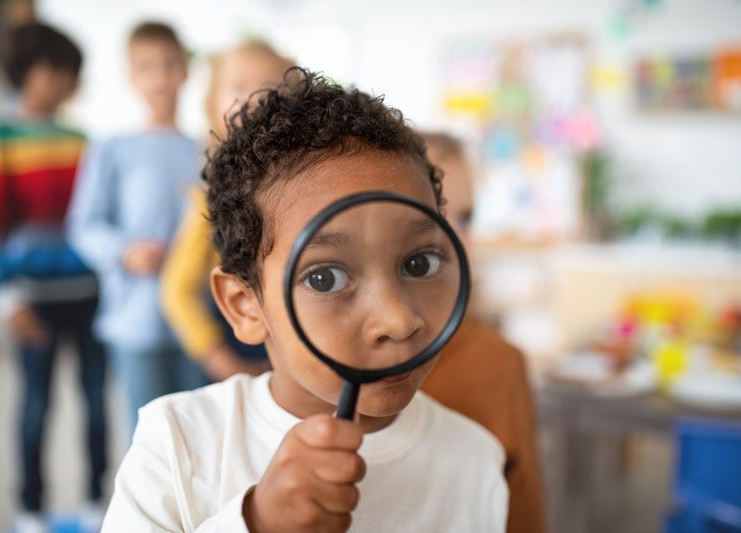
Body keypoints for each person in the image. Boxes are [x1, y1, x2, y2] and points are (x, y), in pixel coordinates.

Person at [102, 68, 508, 532]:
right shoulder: (178, 443)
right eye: (325, 276)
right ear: (244, 306)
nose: (398, 320)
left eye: (418, 264)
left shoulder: (476, 460)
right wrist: (255, 523)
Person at [0, 22, 106, 533]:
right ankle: (31, 510)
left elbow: (93, 221)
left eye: (70, 74)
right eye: (57, 71)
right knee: (35, 407)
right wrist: (6, 297)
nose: (64, 82)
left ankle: (97, 500)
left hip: (90, 295)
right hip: (33, 299)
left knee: (96, 405)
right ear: (29, 72)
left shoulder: (81, 139)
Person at [67, 22, 206, 436]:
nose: (160, 77)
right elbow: (84, 226)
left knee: (201, 434)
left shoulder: (205, 150)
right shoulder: (112, 148)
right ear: (132, 78)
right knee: (148, 438)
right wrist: (124, 251)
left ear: (185, 71)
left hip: (199, 321)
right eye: (146, 67)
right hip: (137, 320)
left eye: (169, 65)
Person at [418, 132, 547, 533]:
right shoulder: (331, 364)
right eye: (434, 215)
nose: (458, 239)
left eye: (467, 218)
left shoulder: (499, 362)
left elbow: (522, 510)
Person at [161, 40, 293, 380]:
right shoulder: (211, 197)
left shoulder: (302, 184)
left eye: (272, 85)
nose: (258, 97)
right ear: (211, 105)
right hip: (240, 355)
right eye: (238, 86)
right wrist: (217, 357)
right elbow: (178, 289)